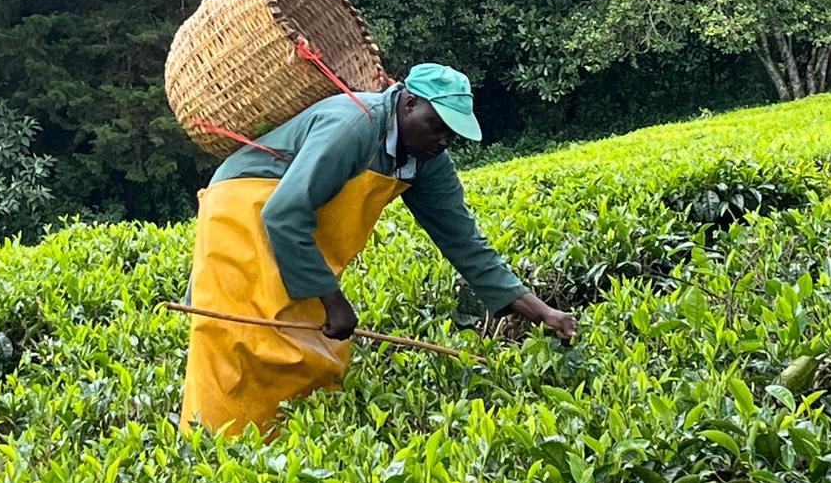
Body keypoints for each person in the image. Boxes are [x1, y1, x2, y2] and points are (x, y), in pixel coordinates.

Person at [179, 61, 576, 435]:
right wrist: (335, 301)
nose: (441, 141)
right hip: (247, 210)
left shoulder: (427, 159)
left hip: (298, 231)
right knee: (243, 342)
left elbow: (466, 243)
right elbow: (283, 213)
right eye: (435, 126)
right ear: (408, 103)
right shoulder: (354, 126)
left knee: (307, 346)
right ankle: (214, 449)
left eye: (449, 135)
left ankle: (289, 458)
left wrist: (543, 312)